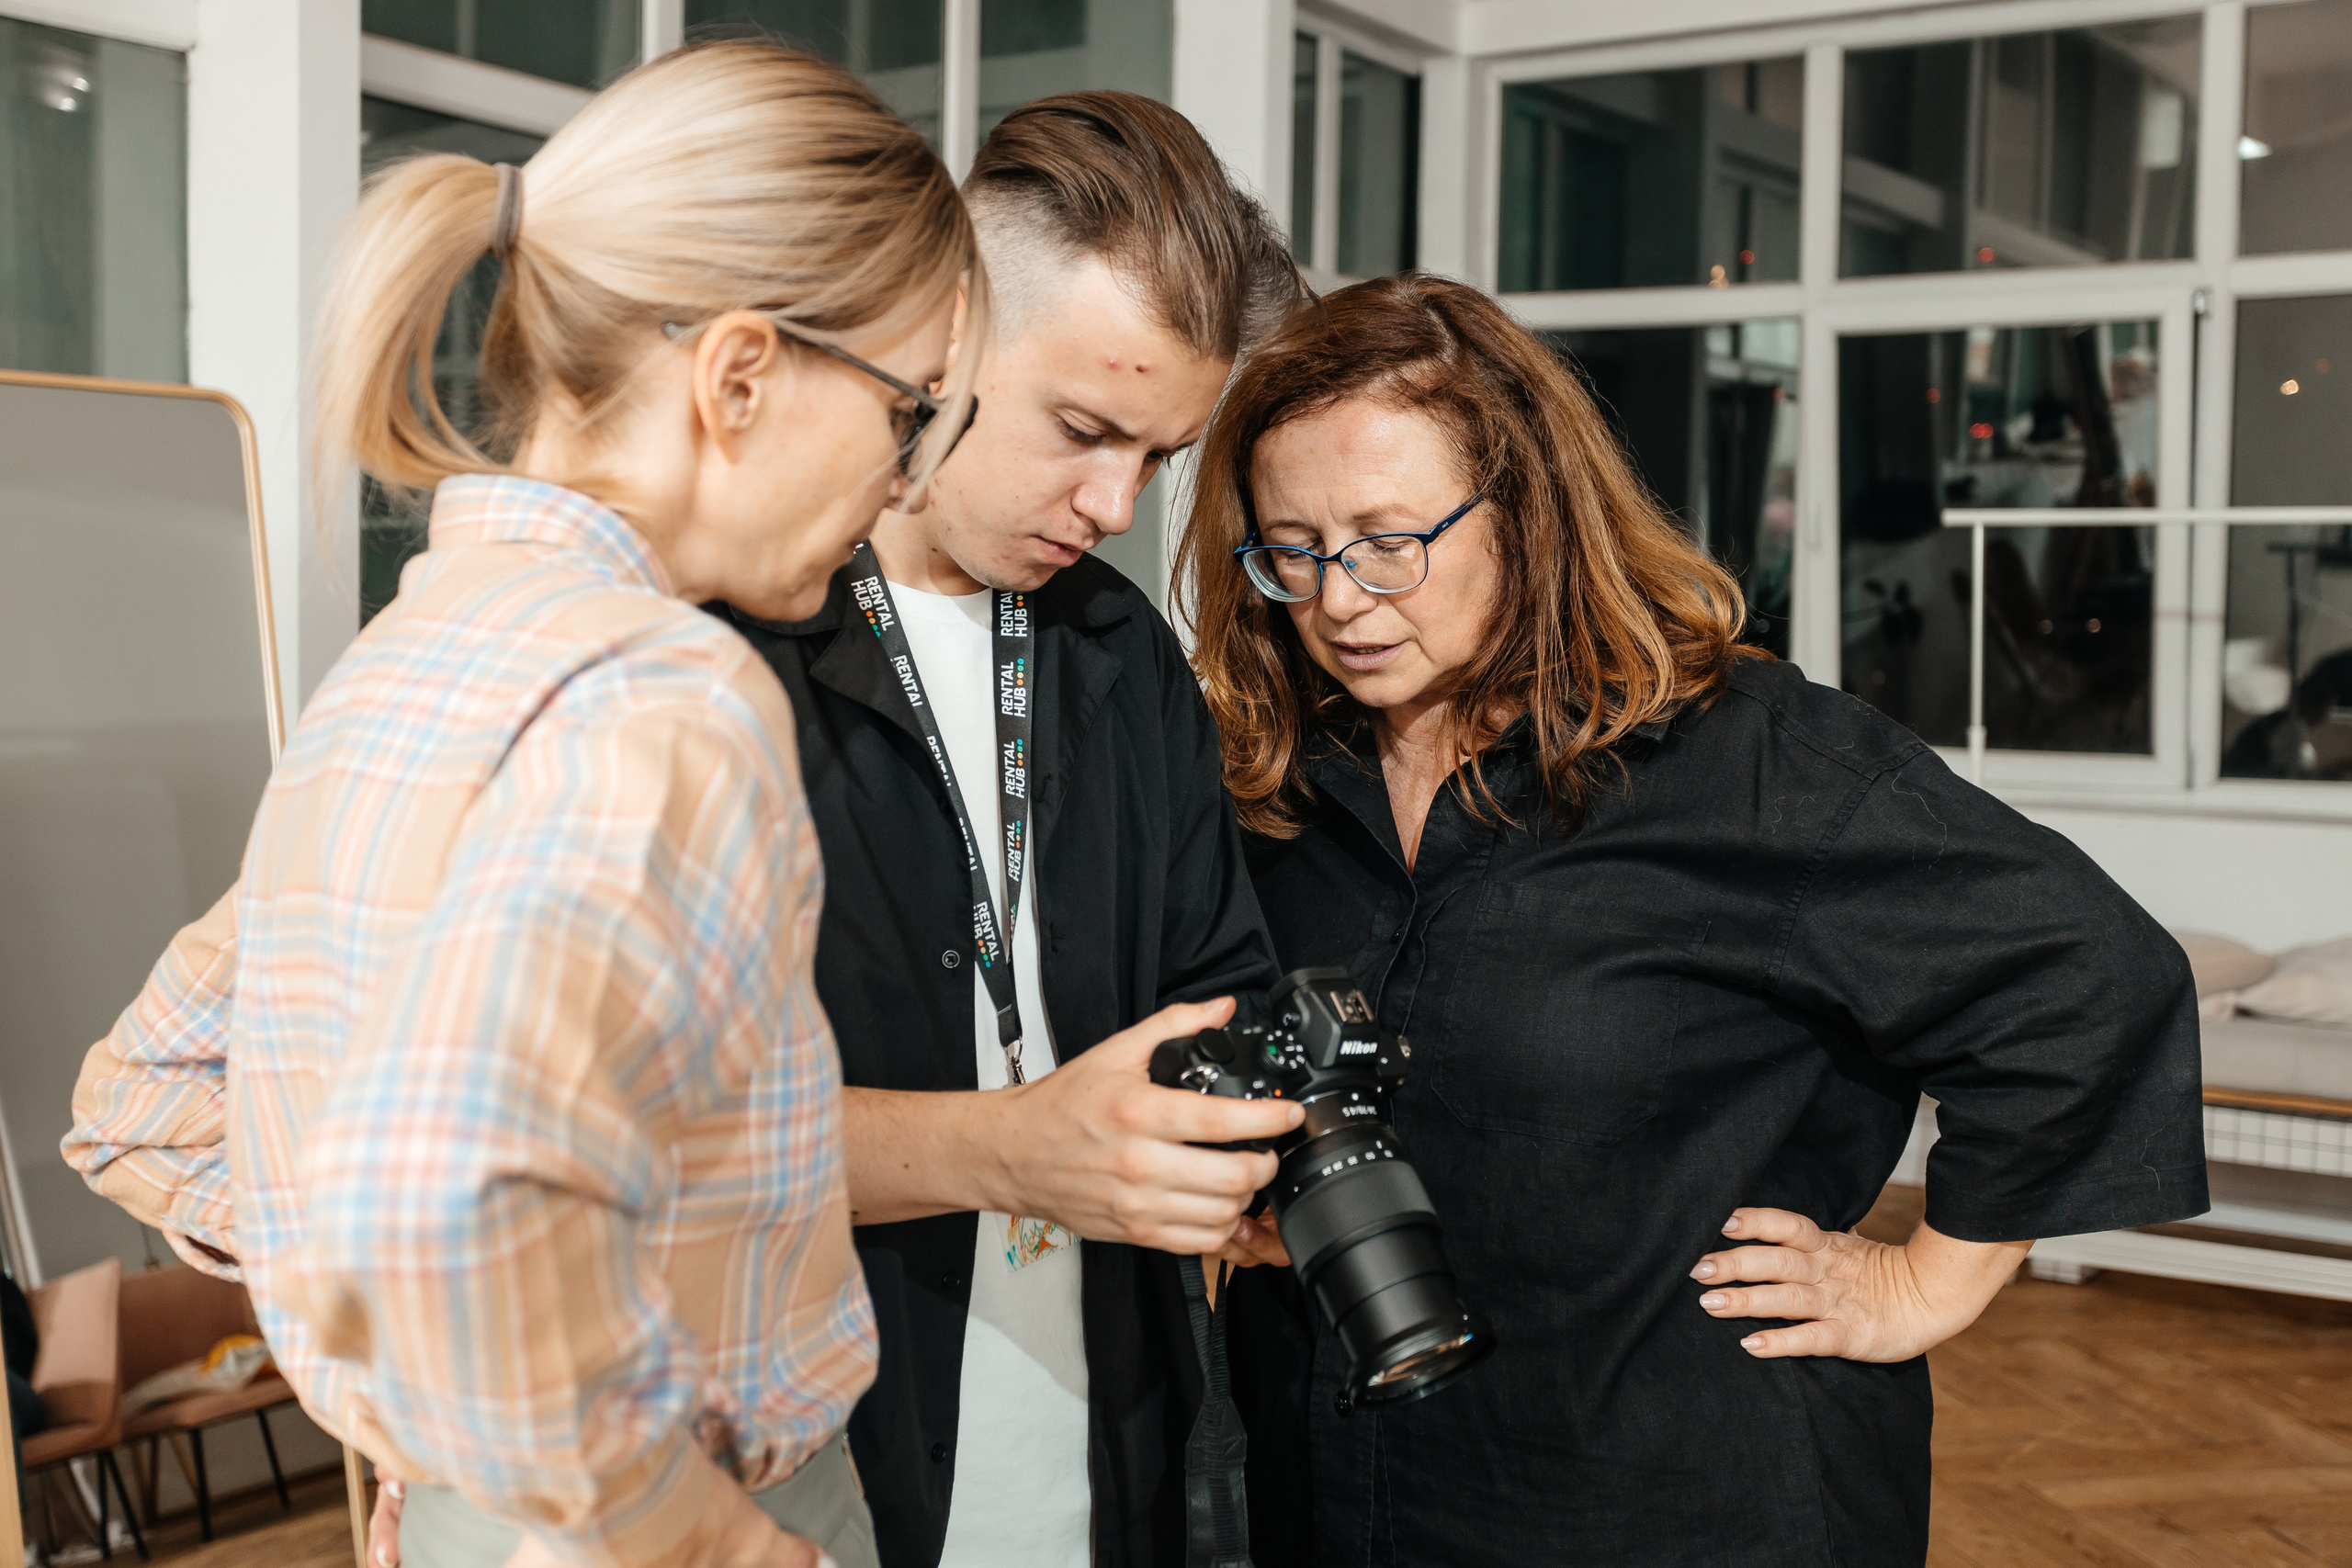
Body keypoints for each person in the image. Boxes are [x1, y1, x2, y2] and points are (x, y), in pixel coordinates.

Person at [72, 84, 1311, 1568]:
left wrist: (448, 1413)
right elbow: (456, 1194)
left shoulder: (421, 646)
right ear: (744, 378)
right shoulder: (676, 682)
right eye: (914, 403)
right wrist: (629, 1486)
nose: (1115, 504)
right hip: (710, 1495)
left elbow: (173, 1098)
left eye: (1161, 460)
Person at [1171, 273, 2210, 1566]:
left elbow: (2091, 982)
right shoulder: (1270, 785)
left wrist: (1921, 1282)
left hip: (1676, 1495)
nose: (1336, 601)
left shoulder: (1752, 763)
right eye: (1295, 550)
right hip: (1348, 1487)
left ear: (1528, 517)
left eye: (1391, 541)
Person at [706, 92, 1308, 1568]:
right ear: (948, 331)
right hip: (802, 1463)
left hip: (1107, 1436)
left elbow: (1216, 983)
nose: (1113, 505)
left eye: (1160, 457)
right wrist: (1010, 1149)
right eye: (1085, 430)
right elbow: (646, 1139)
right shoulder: (722, 651)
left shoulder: (1116, 653)